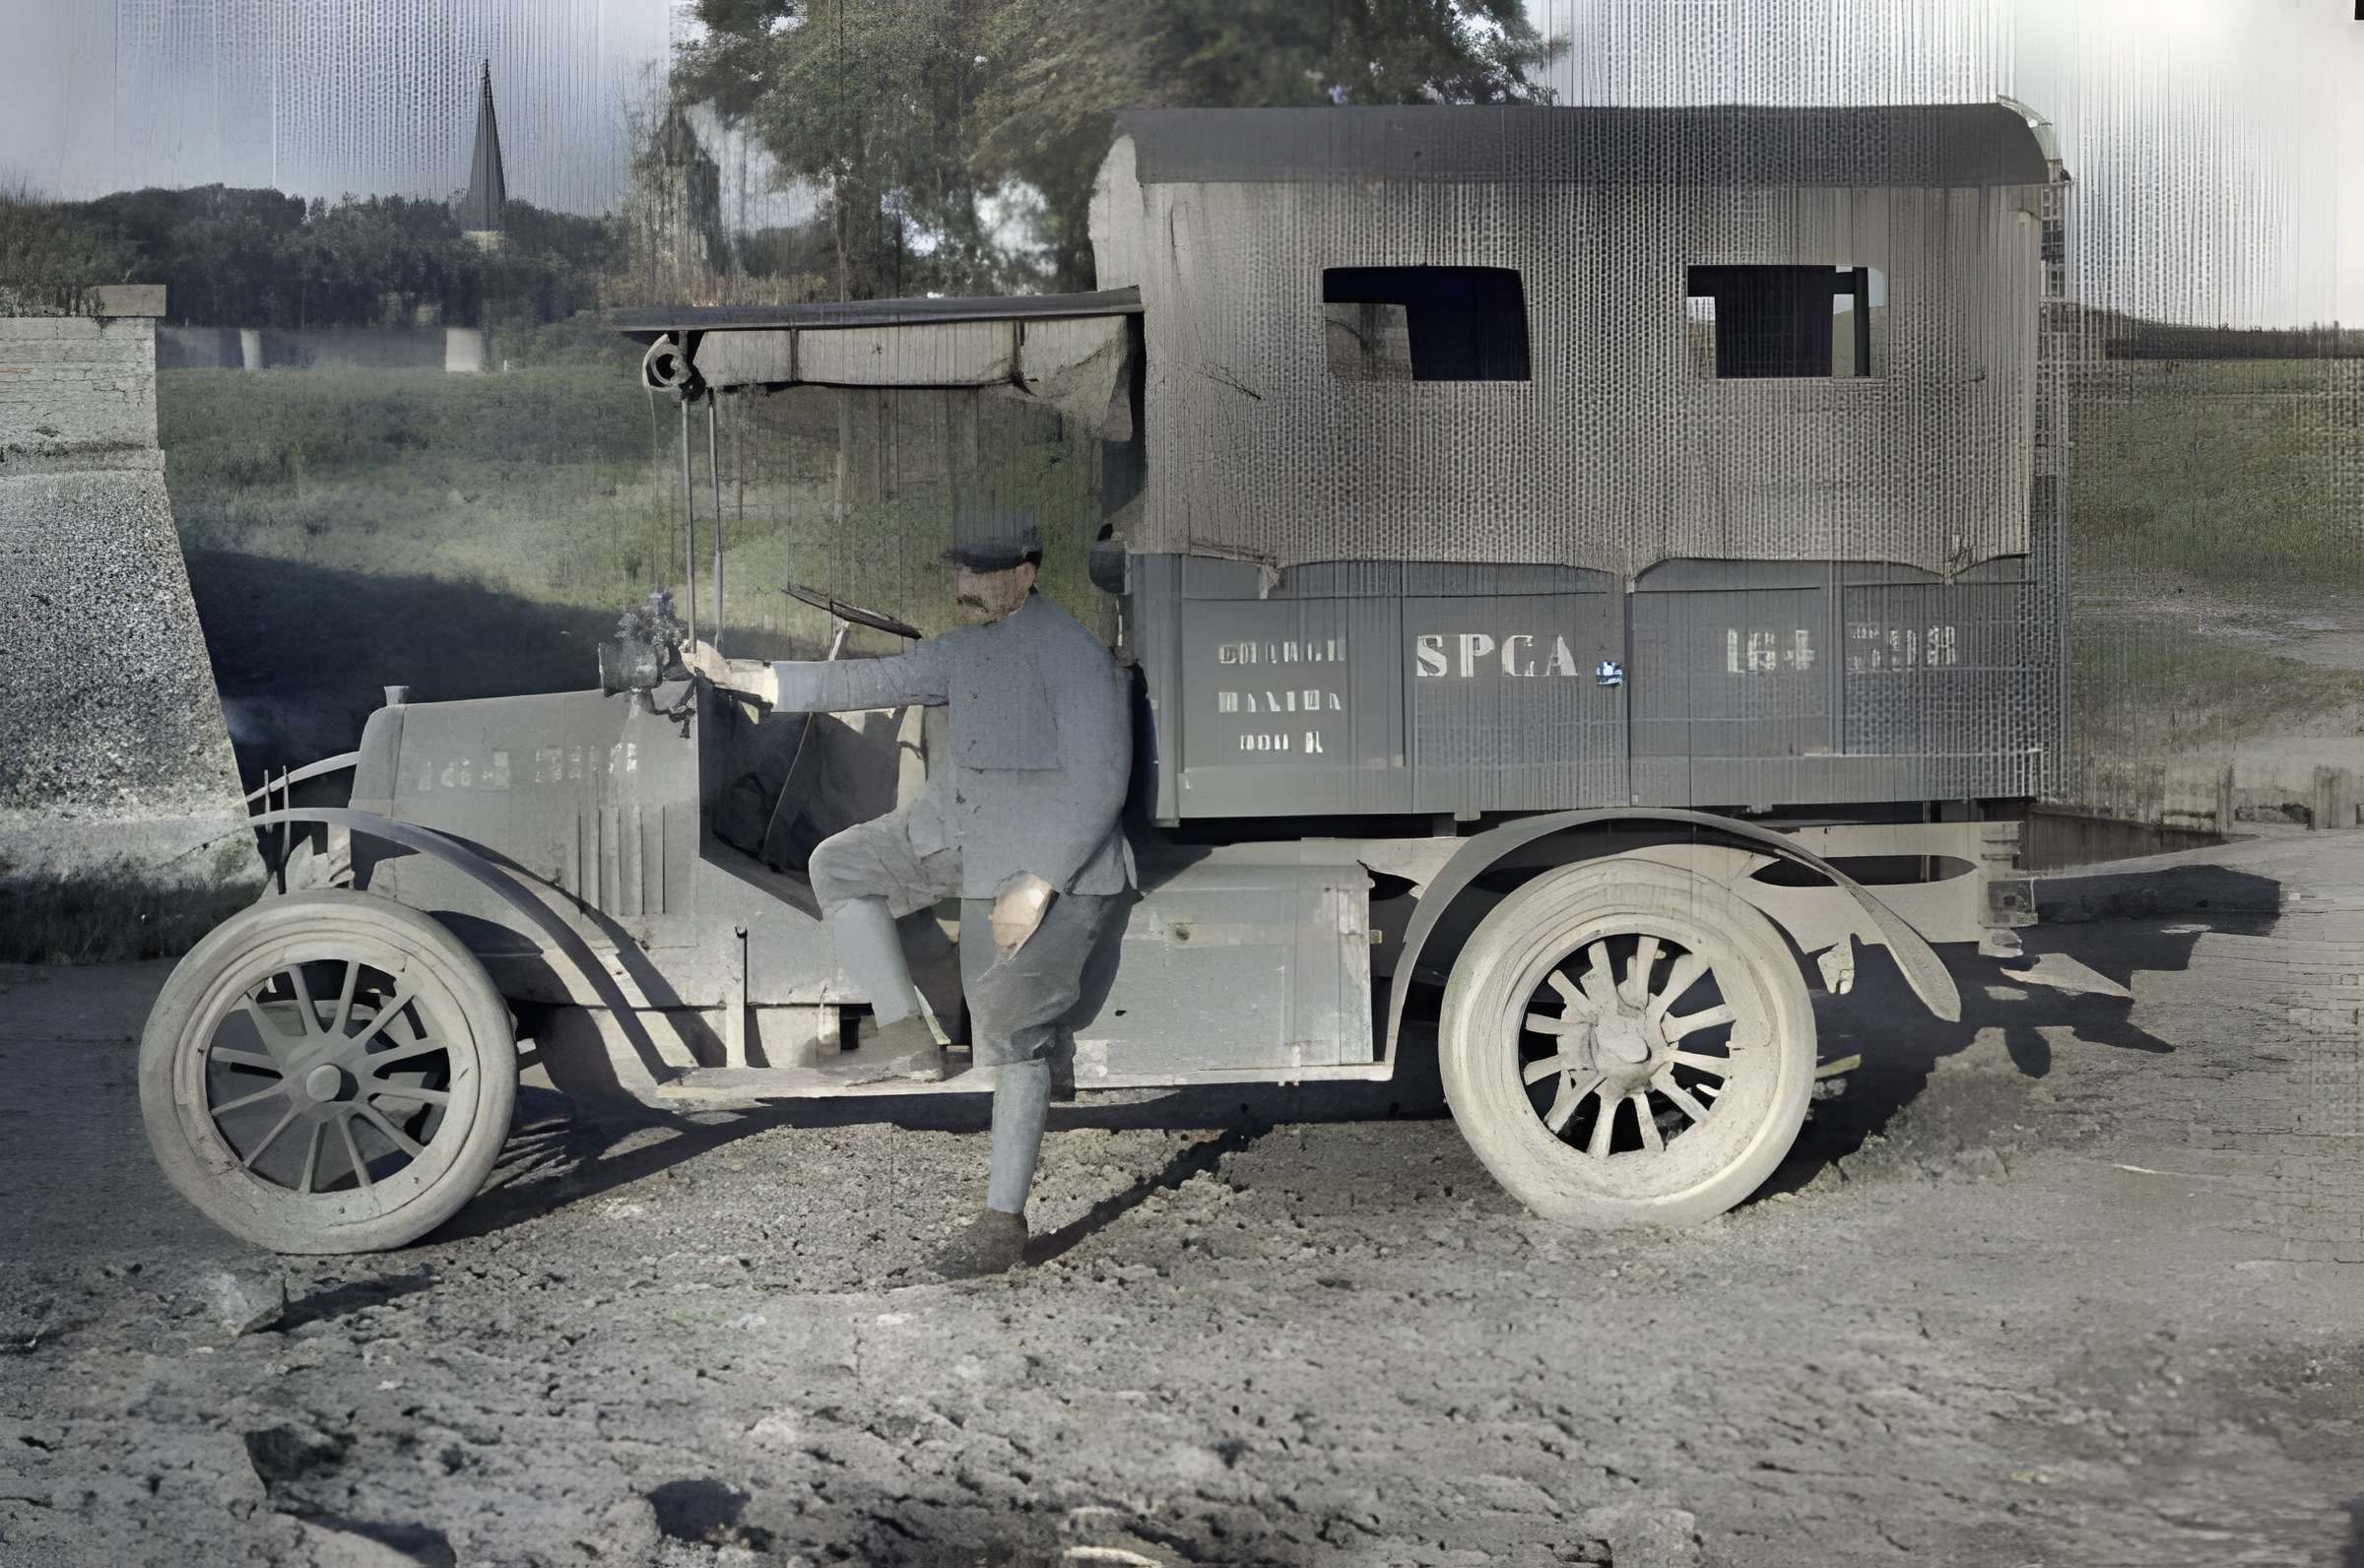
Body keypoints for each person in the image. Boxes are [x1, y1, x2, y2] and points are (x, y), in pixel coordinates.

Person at [685, 510, 1133, 1278]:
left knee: (1010, 1031)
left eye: (979, 571)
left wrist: (1038, 884)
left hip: (1048, 867)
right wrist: (745, 677)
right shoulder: (966, 650)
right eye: (960, 570)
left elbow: (1101, 784)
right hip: (963, 839)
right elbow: (870, 678)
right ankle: (909, 1038)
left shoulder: (1076, 658)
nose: (963, 584)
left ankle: (1001, 1224)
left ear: (1025, 573)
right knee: (840, 866)